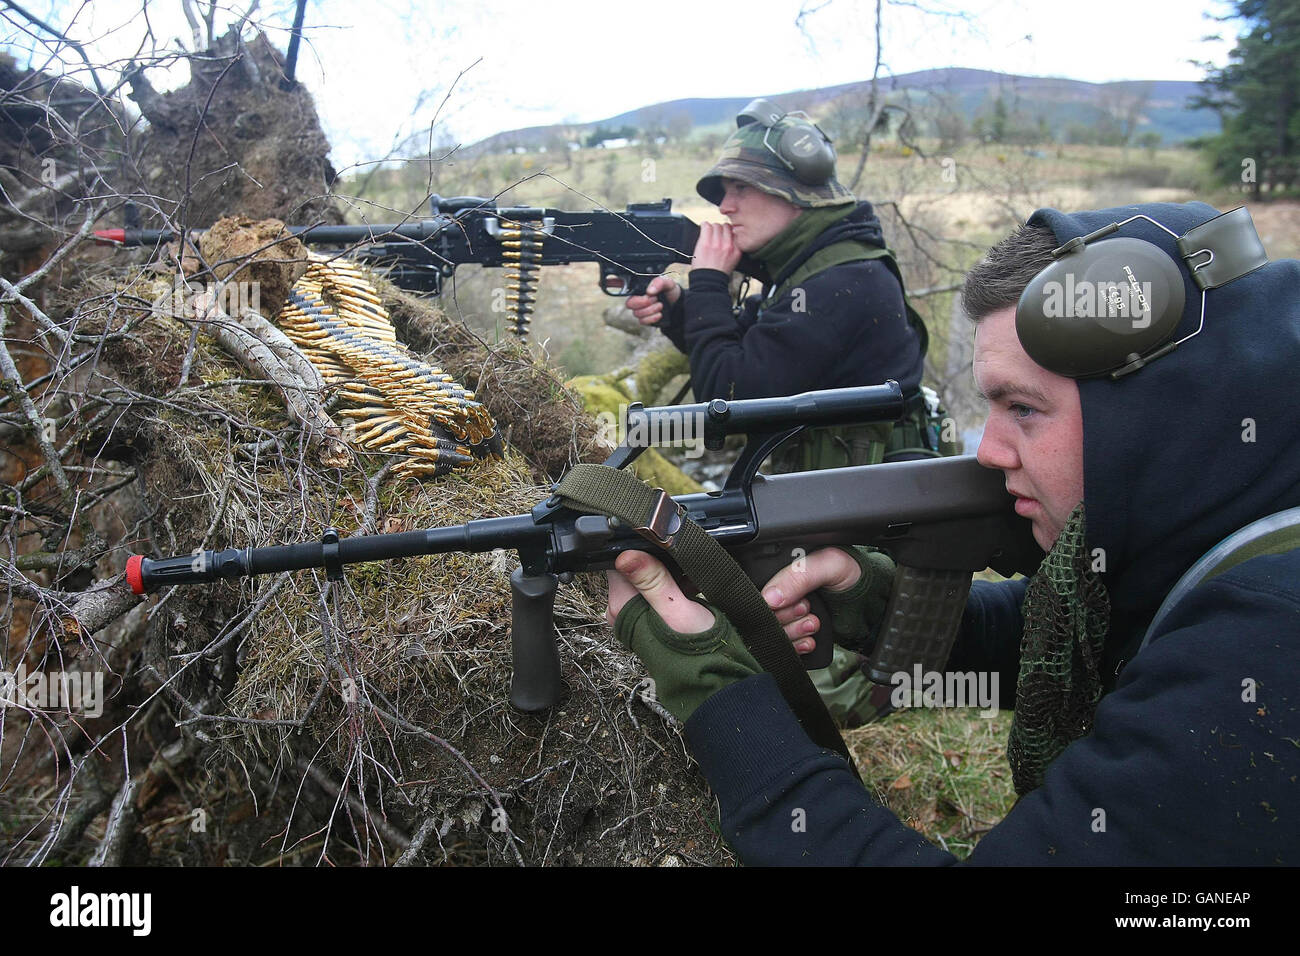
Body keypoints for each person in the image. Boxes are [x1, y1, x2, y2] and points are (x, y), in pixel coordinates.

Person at [605, 200, 1300, 864]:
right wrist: (869, 601)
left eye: (1024, 409)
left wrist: (719, 695)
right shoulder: (1209, 530)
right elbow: (1044, 639)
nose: (990, 452)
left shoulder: (1262, 654)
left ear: (1162, 414)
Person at [626, 98, 935, 470]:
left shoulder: (840, 281)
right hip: (845, 496)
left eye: (741, 188)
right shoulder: (811, 267)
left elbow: (726, 401)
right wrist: (679, 310)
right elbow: (742, 348)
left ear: (793, 192)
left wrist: (709, 280)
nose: (725, 206)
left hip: (875, 508)